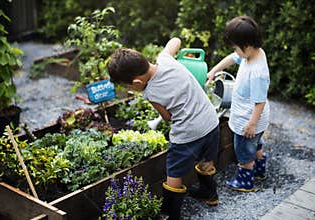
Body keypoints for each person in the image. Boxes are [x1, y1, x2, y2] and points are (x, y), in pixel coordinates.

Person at [107, 37, 220, 219]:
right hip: (211, 122)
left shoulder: (150, 92)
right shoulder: (165, 58)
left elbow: (167, 117)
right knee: (206, 160)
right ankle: (210, 194)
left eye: (128, 86)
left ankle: (170, 213)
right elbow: (175, 41)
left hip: (188, 134)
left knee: (174, 172)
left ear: (136, 83)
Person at [207, 15, 270, 192]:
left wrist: (251, 124)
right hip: (256, 120)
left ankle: (245, 180)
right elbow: (233, 58)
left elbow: (259, 102)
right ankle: (259, 170)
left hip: (249, 120)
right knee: (256, 145)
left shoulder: (257, 72)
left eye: (236, 47)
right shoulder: (253, 53)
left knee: (243, 150)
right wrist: (214, 70)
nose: (235, 51)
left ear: (247, 46)